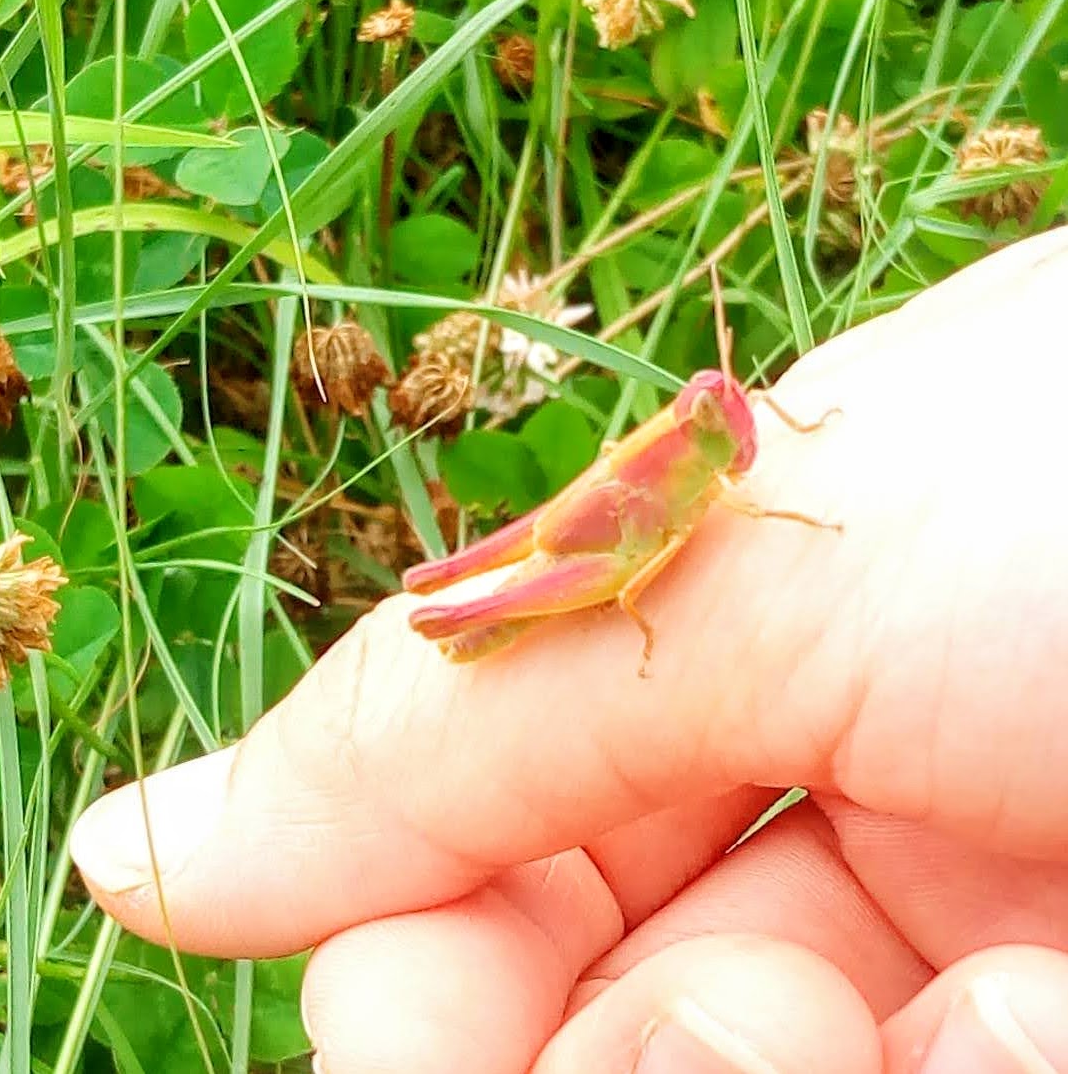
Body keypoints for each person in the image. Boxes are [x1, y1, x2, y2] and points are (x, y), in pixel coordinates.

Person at [71, 226, 1068, 1073]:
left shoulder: (725, 442)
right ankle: (463, 605)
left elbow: (758, 439)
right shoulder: (684, 473)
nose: (730, 410)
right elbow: (645, 566)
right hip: (593, 560)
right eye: (707, 405)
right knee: (524, 584)